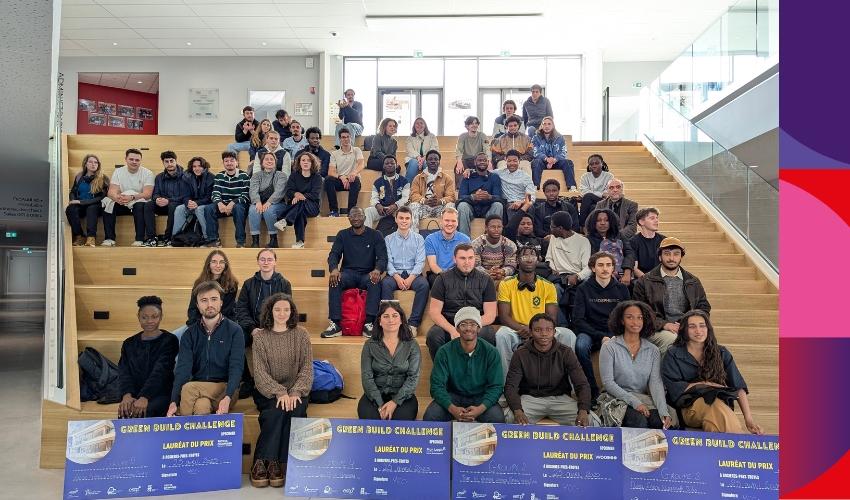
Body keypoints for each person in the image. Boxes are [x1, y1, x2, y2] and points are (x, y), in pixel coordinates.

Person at [662, 310, 764, 435]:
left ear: (708, 328)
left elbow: (738, 387)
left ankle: (728, 445)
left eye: (702, 325)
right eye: (692, 326)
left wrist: (749, 420)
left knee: (715, 424)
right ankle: (738, 445)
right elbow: (674, 388)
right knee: (713, 405)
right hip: (689, 408)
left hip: (719, 406)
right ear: (684, 330)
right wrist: (705, 384)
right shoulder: (673, 354)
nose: (698, 331)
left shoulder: (721, 352)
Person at [250, 293, 313, 488]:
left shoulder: (301, 334)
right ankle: (267, 461)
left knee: (297, 409)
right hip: (268, 390)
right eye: (277, 309)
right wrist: (280, 392)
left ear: (292, 312)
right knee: (275, 411)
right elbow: (260, 373)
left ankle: (277, 462)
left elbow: (307, 368)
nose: (282, 313)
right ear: (270, 311)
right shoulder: (260, 337)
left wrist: (295, 392)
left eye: (286, 309)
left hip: (296, 389)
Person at [495, 246, 576, 378]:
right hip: (516, 329)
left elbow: (551, 317)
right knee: (502, 335)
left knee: (569, 335)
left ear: (537, 260)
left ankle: (568, 383)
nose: (529, 259)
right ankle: (506, 383)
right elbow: (504, 317)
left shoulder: (548, 286)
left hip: (541, 329)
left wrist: (535, 330)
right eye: (525, 256)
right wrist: (522, 328)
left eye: (532, 256)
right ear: (517, 260)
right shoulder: (506, 284)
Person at [167, 281, 244, 416]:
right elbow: (182, 370)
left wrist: (228, 397)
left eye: (214, 299)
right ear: (197, 305)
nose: (209, 304)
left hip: (226, 389)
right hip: (199, 389)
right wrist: (173, 401)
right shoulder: (190, 334)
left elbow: (236, 367)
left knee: (189, 388)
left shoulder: (234, 330)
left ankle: (181, 427)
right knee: (201, 405)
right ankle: (194, 430)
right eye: (204, 300)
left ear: (221, 302)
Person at [598, 301, 676, 429]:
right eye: (630, 317)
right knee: (638, 422)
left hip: (642, 398)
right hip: (615, 398)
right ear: (621, 320)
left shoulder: (653, 350)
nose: (636, 322)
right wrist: (634, 402)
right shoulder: (609, 347)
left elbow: (655, 383)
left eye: (640, 317)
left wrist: (663, 410)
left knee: (659, 422)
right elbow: (608, 383)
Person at [504, 313, 591, 426]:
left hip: (560, 399)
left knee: (590, 420)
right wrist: (517, 410)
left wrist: (583, 410)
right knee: (510, 418)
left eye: (548, 329)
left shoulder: (566, 352)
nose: (544, 334)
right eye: (538, 330)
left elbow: (582, 384)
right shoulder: (520, 354)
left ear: (554, 332)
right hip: (530, 398)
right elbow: (511, 386)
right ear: (530, 332)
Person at [423, 307, 505, 423]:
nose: (468, 328)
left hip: (481, 397)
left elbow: (496, 386)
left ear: (479, 328)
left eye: (473, 324)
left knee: (497, 418)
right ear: (457, 328)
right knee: (431, 416)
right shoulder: (444, 352)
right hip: (453, 396)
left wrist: (480, 409)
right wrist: (452, 409)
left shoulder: (491, 352)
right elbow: (436, 386)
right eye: (463, 324)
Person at [633, 237, 711, 356]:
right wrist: (665, 324)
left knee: (709, 342)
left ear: (681, 257)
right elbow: (639, 312)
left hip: (686, 327)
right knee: (672, 340)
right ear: (660, 257)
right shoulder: (645, 281)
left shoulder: (693, 281)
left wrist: (688, 324)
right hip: (655, 329)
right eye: (667, 254)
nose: (671, 258)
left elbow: (703, 307)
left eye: (676, 254)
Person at [572, 251, 631, 401]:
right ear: (593, 268)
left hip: (615, 332)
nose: (605, 269)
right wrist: (601, 336)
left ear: (613, 268)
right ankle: (592, 390)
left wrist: (612, 336)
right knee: (580, 345)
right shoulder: (583, 289)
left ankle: (623, 390)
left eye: (608, 265)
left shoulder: (622, 289)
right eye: (600, 265)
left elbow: (627, 316)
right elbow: (578, 320)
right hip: (590, 331)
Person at [235, 249, 294, 398]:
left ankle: (274, 381)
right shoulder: (248, 284)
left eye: (269, 259)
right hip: (252, 327)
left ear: (275, 262)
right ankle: (247, 380)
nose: (266, 262)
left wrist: (271, 328)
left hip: (275, 327)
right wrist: (252, 329)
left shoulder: (284, 284)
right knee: (236, 340)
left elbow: (286, 310)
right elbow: (241, 309)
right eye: (262, 259)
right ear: (258, 262)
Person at [321, 207, 388, 338]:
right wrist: (334, 269)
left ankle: (369, 323)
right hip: (348, 274)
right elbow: (334, 254)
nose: (356, 218)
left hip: (367, 274)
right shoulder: (342, 234)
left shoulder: (376, 235)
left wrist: (377, 270)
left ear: (364, 218)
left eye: (359, 215)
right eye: (353, 216)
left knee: (375, 281)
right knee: (335, 280)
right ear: (349, 218)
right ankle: (336, 324)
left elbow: (383, 257)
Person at [425, 244, 498, 360]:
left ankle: (478, 369)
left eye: (470, 258)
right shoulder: (442, 279)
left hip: (476, 323)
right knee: (434, 336)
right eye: (462, 258)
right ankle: (443, 369)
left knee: (488, 334)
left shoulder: (486, 280)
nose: (467, 262)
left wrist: (470, 327)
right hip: (450, 323)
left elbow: (490, 314)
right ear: (455, 259)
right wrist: (452, 330)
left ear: (475, 258)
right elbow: (434, 312)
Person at [117, 296, 179, 418]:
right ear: (138, 317)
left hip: (160, 393)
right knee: (125, 410)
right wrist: (126, 395)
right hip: (135, 393)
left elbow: (161, 372)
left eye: (154, 316)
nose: (149, 321)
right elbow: (124, 371)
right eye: (144, 317)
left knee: (143, 412)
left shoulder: (169, 340)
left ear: (161, 317)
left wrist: (145, 396)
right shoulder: (129, 343)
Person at [358, 302, 421, 421]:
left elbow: (413, 378)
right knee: (371, 421)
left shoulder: (412, 345)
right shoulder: (369, 345)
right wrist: (380, 405)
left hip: (403, 397)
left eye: (395, 316)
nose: (391, 320)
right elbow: (366, 377)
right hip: (374, 395)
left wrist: (394, 402)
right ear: (380, 321)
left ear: (401, 320)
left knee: (399, 421)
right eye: (386, 316)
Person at [172, 250, 239, 340]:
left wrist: (211, 327)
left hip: (222, 323)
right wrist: (198, 327)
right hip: (199, 322)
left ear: (225, 265)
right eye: (214, 262)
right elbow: (192, 309)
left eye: (221, 262)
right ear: (208, 264)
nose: (218, 265)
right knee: (173, 337)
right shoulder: (199, 283)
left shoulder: (232, 284)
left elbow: (227, 311)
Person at [381, 207, 428, 336]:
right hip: (394, 274)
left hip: (413, 274)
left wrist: (410, 278)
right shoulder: (388, 239)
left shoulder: (419, 238)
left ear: (411, 220)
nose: (404, 221)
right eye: (401, 218)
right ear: (396, 219)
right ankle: (392, 323)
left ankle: (413, 324)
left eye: (407, 218)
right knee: (385, 284)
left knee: (424, 285)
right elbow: (388, 261)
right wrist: (397, 277)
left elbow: (420, 262)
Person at [545, 211, 591, 324]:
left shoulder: (583, 241)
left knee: (585, 289)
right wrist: (552, 268)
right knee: (553, 290)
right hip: (558, 277)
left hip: (577, 277)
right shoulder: (553, 238)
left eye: (552, 226)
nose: (550, 229)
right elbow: (549, 257)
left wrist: (577, 276)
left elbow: (588, 268)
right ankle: (562, 325)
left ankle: (579, 324)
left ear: (560, 228)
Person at [101, 148, 154, 247]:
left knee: (140, 206)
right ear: (125, 159)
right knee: (108, 205)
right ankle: (109, 238)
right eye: (131, 159)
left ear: (140, 161)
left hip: (137, 201)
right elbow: (111, 192)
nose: (134, 162)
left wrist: (132, 197)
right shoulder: (118, 172)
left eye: (137, 160)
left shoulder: (148, 173)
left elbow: (147, 194)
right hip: (122, 201)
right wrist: (117, 198)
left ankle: (139, 239)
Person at [273, 151, 322, 248]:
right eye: (303, 160)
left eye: (308, 160)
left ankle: (286, 220)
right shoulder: (294, 175)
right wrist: (296, 194)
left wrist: (301, 196)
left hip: (312, 206)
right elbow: (289, 191)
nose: (306, 162)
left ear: (312, 163)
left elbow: (315, 194)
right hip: (297, 206)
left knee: (301, 202)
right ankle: (300, 242)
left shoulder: (317, 177)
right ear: (299, 162)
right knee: (300, 213)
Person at [204, 151, 250, 248]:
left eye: (232, 160)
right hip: (223, 205)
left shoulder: (244, 176)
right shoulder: (219, 176)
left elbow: (246, 195)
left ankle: (240, 242)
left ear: (236, 162)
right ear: (223, 163)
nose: (229, 163)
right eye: (226, 161)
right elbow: (215, 193)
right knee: (208, 208)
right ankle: (214, 240)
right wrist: (219, 203)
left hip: (238, 205)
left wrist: (233, 203)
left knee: (238, 208)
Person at [142, 150, 186, 247]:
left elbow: (185, 196)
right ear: (163, 162)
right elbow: (155, 194)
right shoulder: (159, 177)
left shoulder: (185, 176)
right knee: (148, 205)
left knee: (173, 206)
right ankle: (152, 238)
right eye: (166, 161)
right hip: (162, 205)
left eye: (171, 161)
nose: (169, 164)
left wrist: (168, 201)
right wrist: (157, 199)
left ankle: (168, 238)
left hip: (177, 205)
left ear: (176, 161)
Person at [170, 155, 214, 246]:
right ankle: (176, 237)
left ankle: (207, 238)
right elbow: (185, 195)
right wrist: (188, 203)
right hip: (192, 203)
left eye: (199, 166)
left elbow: (209, 197)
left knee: (199, 209)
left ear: (204, 167)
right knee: (179, 209)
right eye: (194, 166)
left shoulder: (211, 177)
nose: (197, 168)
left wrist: (197, 203)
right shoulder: (187, 177)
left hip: (205, 203)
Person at [457, 152, 504, 236]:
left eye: (484, 160)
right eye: (479, 160)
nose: (482, 162)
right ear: (475, 162)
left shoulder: (494, 177)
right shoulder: (467, 176)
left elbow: (499, 197)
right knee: (462, 206)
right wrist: (473, 197)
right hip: (471, 209)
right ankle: (464, 240)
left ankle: (492, 238)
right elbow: (460, 197)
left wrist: (489, 197)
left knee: (498, 205)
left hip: (488, 209)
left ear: (488, 162)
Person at [66, 153, 108, 247]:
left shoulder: (103, 178)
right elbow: (73, 192)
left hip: (96, 205)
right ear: (85, 164)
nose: (93, 164)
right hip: (81, 205)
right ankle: (79, 236)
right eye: (90, 162)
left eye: (96, 162)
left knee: (91, 208)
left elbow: (101, 197)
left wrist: (81, 202)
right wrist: (73, 201)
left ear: (98, 165)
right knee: (70, 209)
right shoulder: (79, 176)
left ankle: (91, 238)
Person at [584, 209, 635, 284]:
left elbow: (629, 254)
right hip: (598, 276)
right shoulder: (587, 240)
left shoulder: (620, 236)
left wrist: (627, 273)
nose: (602, 223)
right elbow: (589, 262)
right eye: (598, 220)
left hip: (622, 274)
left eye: (606, 220)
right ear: (593, 223)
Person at [408, 149, 456, 228]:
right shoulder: (418, 178)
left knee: (450, 205)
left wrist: (439, 201)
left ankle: (448, 233)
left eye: (436, 159)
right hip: (424, 207)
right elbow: (413, 195)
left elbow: (451, 197)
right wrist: (425, 201)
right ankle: (414, 234)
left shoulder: (447, 178)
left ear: (439, 162)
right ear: (426, 162)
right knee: (413, 206)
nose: (433, 161)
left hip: (440, 208)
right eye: (430, 159)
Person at [248, 152, 287, 248]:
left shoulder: (281, 175)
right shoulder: (256, 175)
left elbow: (279, 192)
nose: (269, 161)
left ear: (275, 162)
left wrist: (269, 202)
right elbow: (253, 190)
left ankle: (274, 240)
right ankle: (255, 241)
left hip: (278, 203)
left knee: (269, 210)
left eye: (271, 159)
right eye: (266, 159)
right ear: (262, 163)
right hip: (260, 201)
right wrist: (257, 202)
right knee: (253, 210)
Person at [423, 207, 470, 286]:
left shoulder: (465, 240)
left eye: (453, 221)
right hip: (437, 273)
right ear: (441, 222)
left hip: (458, 274)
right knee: (440, 282)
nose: (450, 224)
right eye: (447, 220)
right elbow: (433, 265)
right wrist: (447, 277)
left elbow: (465, 264)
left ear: (457, 223)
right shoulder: (430, 239)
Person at [325, 128, 365, 217]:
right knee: (328, 180)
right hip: (341, 181)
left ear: (350, 138)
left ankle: (351, 212)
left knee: (356, 179)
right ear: (340, 139)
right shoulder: (334, 154)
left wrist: (354, 173)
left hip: (353, 181)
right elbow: (331, 172)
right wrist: (341, 177)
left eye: (347, 137)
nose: (346, 139)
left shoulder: (356, 150)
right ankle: (334, 211)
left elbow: (361, 164)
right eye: (343, 137)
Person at [363, 156, 410, 231]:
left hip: (398, 209)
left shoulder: (404, 181)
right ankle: (367, 235)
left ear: (396, 166)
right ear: (383, 166)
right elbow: (374, 198)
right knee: (368, 211)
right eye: (387, 163)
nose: (389, 165)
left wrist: (396, 205)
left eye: (392, 163)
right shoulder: (377, 182)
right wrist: (378, 205)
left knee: (409, 209)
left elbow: (405, 198)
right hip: (383, 209)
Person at [531, 116, 576, 191]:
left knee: (568, 162)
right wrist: (546, 159)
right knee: (536, 162)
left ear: (553, 126)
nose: (546, 126)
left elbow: (563, 152)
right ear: (541, 125)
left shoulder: (560, 137)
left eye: (549, 124)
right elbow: (536, 152)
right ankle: (535, 187)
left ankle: (572, 187)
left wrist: (554, 160)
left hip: (556, 161)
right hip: (543, 161)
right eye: (544, 124)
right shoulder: (536, 137)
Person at [471, 214, 518, 281]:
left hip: (502, 277)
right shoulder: (476, 244)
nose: (496, 229)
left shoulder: (509, 245)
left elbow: (511, 266)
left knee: (509, 279)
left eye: (499, 227)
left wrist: (502, 271)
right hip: (482, 277)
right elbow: (475, 265)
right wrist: (487, 273)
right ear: (486, 228)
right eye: (493, 227)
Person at [496, 150, 536, 220]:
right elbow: (485, 172)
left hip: (523, 202)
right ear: (506, 161)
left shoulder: (526, 177)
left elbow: (531, 196)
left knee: (530, 207)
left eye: (515, 161)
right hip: (508, 203)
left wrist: (521, 202)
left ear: (519, 161)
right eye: (509, 161)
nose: (512, 163)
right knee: (511, 207)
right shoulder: (500, 172)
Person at [578, 154, 614, 228]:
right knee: (592, 207)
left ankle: (582, 226)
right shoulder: (585, 176)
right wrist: (600, 194)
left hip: (603, 201)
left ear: (602, 164)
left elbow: (607, 193)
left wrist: (591, 193)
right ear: (589, 166)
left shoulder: (609, 176)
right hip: (589, 202)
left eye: (597, 163)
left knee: (588, 196)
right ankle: (589, 227)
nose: (594, 166)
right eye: (591, 164)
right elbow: (583, 191)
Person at [629, 207, 665, 279]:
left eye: (657, 218)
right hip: (643, 280)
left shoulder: (664, 240)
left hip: (661, 279)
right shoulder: (633, 241)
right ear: (641, 222)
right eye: (652, 218)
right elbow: (635, 269)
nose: (656, 220)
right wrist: (649, 281)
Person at [404, 117, 439, 183]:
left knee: (427, 162)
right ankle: (407, 186)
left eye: (421, 123)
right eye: (417, 123)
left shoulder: (432, 136)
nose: (419, 125)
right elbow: (409, 150)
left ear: (425, 125)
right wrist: (418, 157)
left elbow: (434, 148)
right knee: (414, 163)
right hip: (413, 159)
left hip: (428, 158)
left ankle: (430, 186)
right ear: (414, 126)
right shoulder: (410, 138)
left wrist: (424, 158)